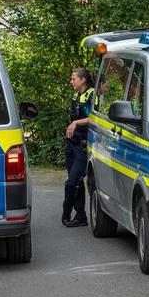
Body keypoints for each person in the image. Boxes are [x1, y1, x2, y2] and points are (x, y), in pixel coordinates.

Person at [61, 67, 95, 227]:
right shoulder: (76, 95)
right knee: (76, 183)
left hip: (83, 146)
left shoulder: (91, 94)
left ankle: (66, 212)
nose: (71, 81)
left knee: (72, 182)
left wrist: (75, 122)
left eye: (74, 79)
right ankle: (80, 216)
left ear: (83, 80)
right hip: (72, 145)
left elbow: (93, 117)